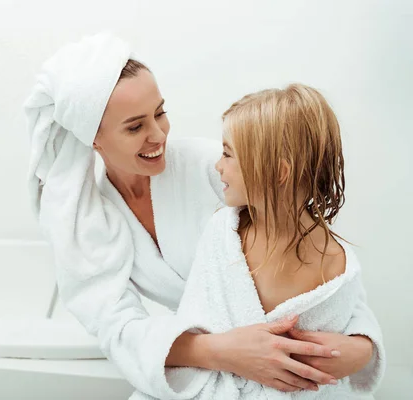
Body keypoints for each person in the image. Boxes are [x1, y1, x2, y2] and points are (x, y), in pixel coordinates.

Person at [24, 33, 383, 399]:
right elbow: (117, 328)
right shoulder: (86, 220)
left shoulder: (219, 170)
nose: (158, 134)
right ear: (93, 138)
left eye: (160, 113)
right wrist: (222, 352)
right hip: (208, 366)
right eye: (135, 126)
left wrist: (361, 347)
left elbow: (318, 265)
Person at [130, 83, 385, 399]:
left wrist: (362, 347)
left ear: (278, 172)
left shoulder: (336, 264)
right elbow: (196, 319)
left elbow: (346, 328)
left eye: (227, 153)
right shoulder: (222, 232)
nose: (217, 165)